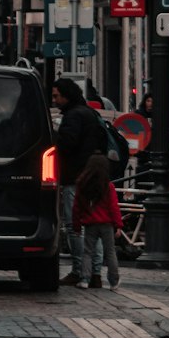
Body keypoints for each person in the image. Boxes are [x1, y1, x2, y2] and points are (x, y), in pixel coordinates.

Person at [52, 77, 106, 286]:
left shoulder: (73, 116)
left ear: (66, 95)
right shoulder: (89, 113)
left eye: (57, 96)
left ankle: (78, 270)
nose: (55, 100)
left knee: (75, 225)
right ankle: (95, 273)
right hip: (93, 176)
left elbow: (67, 144)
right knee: (93, 225)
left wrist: (54, 135)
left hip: (75, 177)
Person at [72, 152, 123, 290]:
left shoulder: (82, 186)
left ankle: (85, 279)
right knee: (110, 252)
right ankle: (113, 281)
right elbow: (113, 207)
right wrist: (118, 224)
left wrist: (76, 226)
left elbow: (76, 208)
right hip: (106, 223)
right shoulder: (108, 186)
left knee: (88, 251)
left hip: (90, 223)